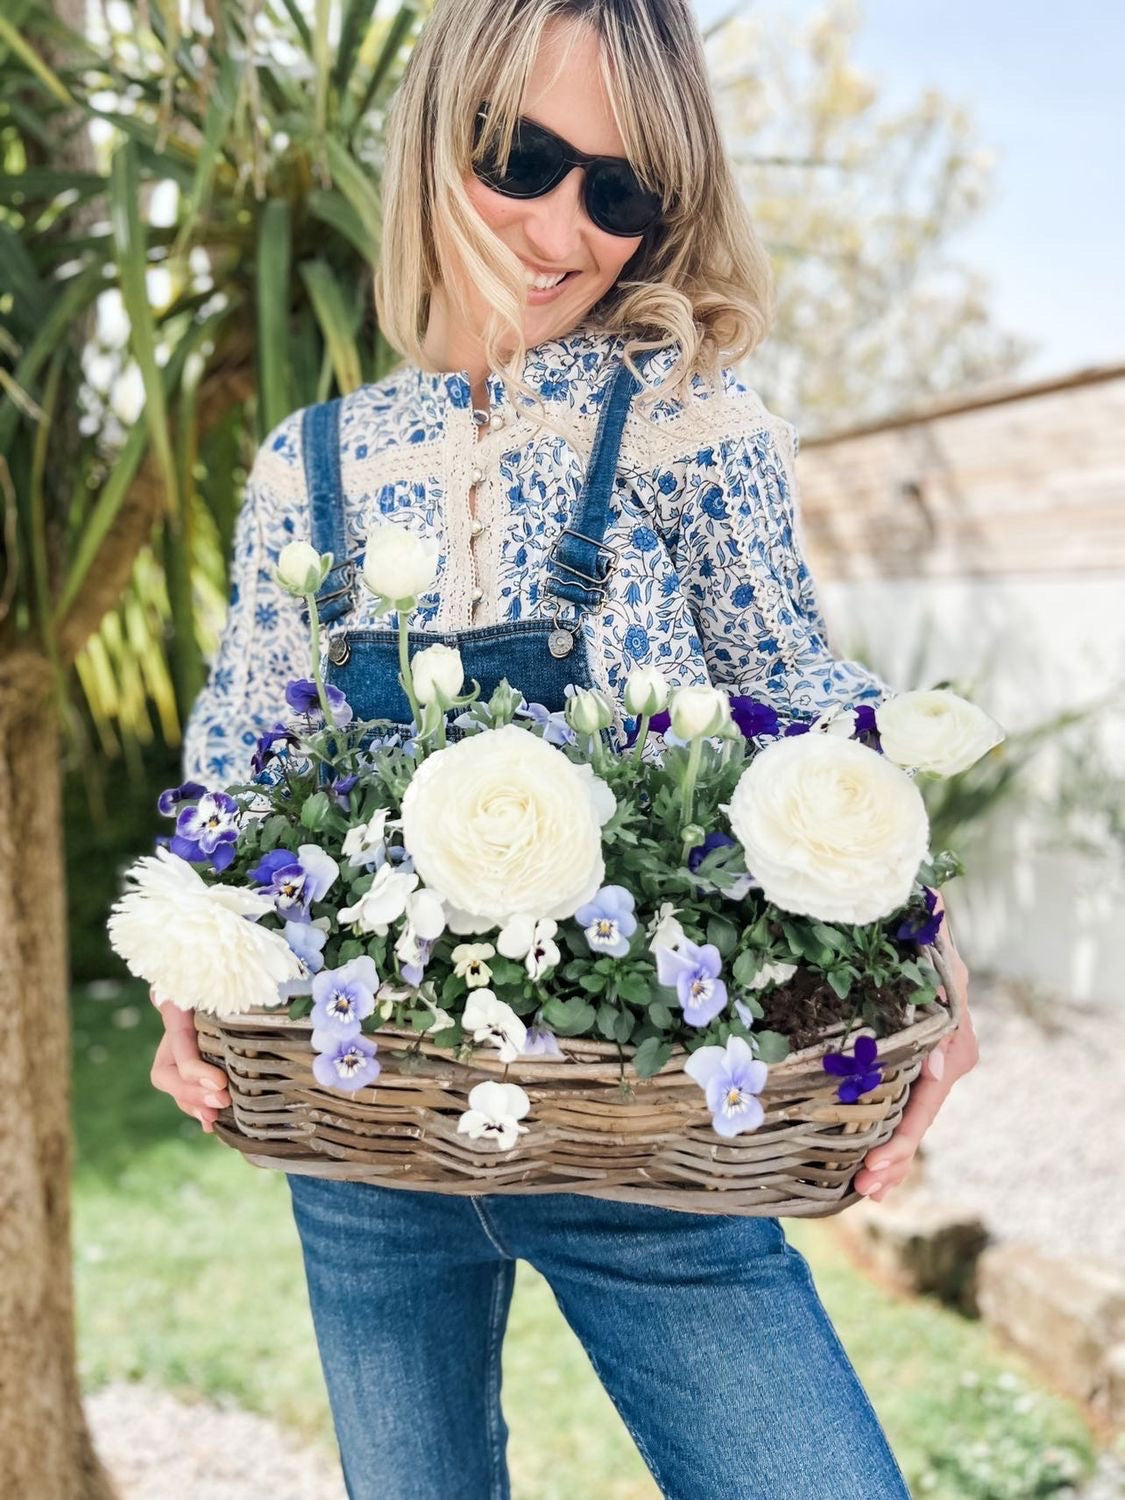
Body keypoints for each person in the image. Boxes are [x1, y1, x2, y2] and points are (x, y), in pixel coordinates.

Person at [149, 2, 978, 1496]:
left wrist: (940, 977)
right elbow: (231, 771)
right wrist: (183, 977)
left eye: (619, 190)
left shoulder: (685, 423)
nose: (559, 229)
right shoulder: (311, 466)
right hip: (364, 1136)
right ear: (429, 140)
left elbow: (811, 714)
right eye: (516, 158)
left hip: (643, 1139)